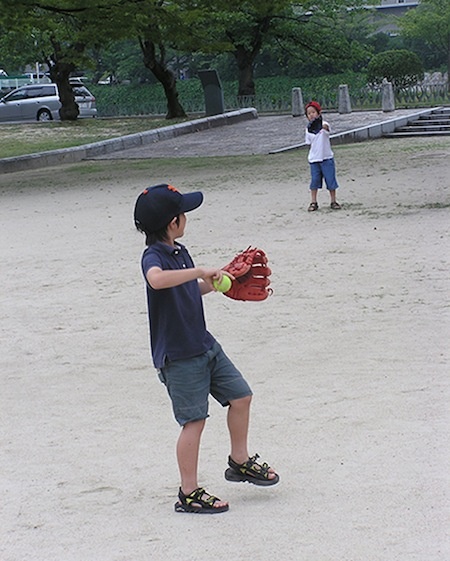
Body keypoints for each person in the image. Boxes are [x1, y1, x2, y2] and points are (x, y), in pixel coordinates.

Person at [134, 183, 279, 514]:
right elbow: (156, 280)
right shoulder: (153, 257)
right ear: (173, 221)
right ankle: (189, 492)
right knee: (194, 421)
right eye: (183, 212)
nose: (186, 217)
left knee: (241, 396)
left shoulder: (179, 251)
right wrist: (200, 270)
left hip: (204, 344)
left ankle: (239, 460)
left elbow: (188, 288)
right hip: (180, 356)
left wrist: (217, 280)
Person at [304, 100, 341, 212]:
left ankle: (333, 201)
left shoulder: (324, 124)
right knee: (314, 181)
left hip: (326, 157)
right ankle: (313, 201)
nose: (311, 115)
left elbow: (326, 128)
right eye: (309, 113)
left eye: (313, 112)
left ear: (318, 113)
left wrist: (321, 126)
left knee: (330, 180)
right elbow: (309, 143)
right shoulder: (308, 129)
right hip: (314, 159)